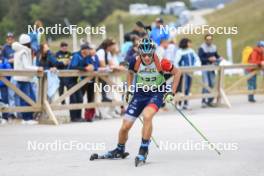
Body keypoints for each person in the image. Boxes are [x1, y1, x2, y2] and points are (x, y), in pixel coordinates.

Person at [101, 38, 181, 164]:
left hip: (156, 93)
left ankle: (144, 149)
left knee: (147, 116)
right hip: (139, 94)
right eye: (144, 55)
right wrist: (129, 90)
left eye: (149, 55)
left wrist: (172, 92)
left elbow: (177, 72)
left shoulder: (161, 61)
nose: (147, 58)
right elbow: (130, 73)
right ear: (140, 54)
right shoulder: (135, 60)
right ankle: (119, 149)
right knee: (125, 127)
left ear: (153, 53)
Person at [12, 34, 43, 125]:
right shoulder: (24, 51)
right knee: (26, 99)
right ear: (28, 43)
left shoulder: (18, 51)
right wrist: (37, 68)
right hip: (24, 78)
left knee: (30, 98)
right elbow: (26, 66)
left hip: (23, 78)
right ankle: (26, 118)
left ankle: (29, 117)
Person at [68, 43, 94, 122]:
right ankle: (73, 118)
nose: (89, 51)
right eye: (88, 49)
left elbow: (90, 64)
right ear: (83, 50)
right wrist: (85, 69)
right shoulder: (76, 56)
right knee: (73, 99)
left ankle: (78, 117)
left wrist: (91, 66)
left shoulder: (86, 57)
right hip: (70, 79)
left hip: (78, 80)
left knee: (79, 98)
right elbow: (73, 66)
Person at [174, 38, 201, 110]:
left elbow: (196, 59)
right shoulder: (179, 52)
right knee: (181, 88)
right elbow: (176, 62)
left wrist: (195, 68)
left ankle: (186, 103)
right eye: (189, 43)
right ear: (185, 43)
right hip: (182, 73)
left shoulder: (191, 51)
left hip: (190, 72)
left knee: (188, 89)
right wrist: (179, 71)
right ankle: (178, 103)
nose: (190, 44)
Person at [198, 34, 221, 108]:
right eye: (207, 39)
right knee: (206, 84)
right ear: (205, 40)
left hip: (212, 67)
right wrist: (209, 59)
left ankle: (210, 100)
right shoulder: (202, 47)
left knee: (212, 83)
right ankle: (203, 101)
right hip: (204, 67)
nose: (209, 40)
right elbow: (201, 58)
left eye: (210, 39)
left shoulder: (214, 47)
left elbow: (216, 55)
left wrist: (219, 58)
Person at [82, 45, 100, 122]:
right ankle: (84, 114)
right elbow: (88, 66)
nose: (93, 51)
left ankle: (90, 115)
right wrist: (93, 68)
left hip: (94, 79)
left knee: (92, 97)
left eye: (94, 49)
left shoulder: (96, 57)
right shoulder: (86, 58)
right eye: (91, 49)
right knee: (82, 96)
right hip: (85, 80)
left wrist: (94, 68)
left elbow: (96, 66)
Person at [2, 32, 17, 119]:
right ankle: (8, 112)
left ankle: (14, 112)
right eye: (8, 38)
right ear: (6, 39)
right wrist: (8, 60)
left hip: (16, 71)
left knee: (14, 93)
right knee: (7, 94)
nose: (10, 40)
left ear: (13, 39)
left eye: (11, 38)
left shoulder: (16, 47)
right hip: (7, 73)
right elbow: (2, 58)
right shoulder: (4, 48)